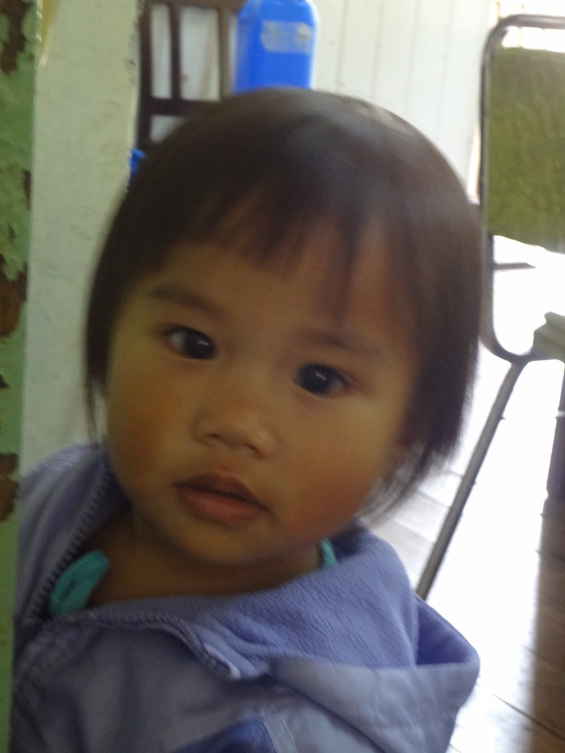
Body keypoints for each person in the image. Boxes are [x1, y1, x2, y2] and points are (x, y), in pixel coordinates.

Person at [12, 88, 482, 753]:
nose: (235, 423)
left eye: (318, 378)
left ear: (406, 429)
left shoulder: (281, 731)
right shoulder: (58, 494)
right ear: (110, 330)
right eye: (193, 343)